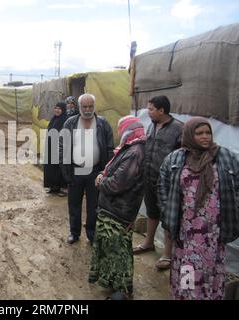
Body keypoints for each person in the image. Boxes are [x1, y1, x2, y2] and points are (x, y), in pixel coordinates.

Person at [158, 117, 239, 300]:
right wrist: (166, 211)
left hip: (214, 231)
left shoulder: (224, 156)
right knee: (188, 268)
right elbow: (162, 185)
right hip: (185, 230)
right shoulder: (176, 158)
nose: (205, 137)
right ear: (189, 135)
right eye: (199, 133)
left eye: (208, 133)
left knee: (210, 268)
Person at [89, 115, 146, 300]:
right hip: (113, 208)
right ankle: (114, 284)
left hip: (119, 211)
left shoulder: (135, 152)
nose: (120, 132)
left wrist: (101, 181)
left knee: (119, 251)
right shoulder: (129, 148)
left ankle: (124, 292)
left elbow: (117, 184)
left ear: (127, 130)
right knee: (111, 248)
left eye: (122, 129)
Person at [133, 95, 183, 271]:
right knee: (152, 211)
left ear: (162, 110)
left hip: (167, 183)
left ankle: (167, 255)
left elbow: (183, 157)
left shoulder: (178, 129)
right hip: (149, 177)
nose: (148, 112)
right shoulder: (152, 125)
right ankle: (148, 243)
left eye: (151, 109)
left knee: (168, 218)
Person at [60, 93, 114, 245]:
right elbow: (62, 147)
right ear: (79, 107)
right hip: (76, 170)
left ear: (94, 106)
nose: (88, 109)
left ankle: (92, 234)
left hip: (95, 171)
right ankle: (74, 233)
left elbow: (110, 148)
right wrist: (66, 173)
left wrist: (106, 171)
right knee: (74, 203)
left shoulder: (102, 123)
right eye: (85, 106)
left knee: (94, 205)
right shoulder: (70, 123)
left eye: (90, 106)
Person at [44, 102, 68, 196]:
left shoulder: (65, 120)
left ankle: (64, 188)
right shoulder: (54, 119)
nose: (57, 110)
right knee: (51, 167)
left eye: (59, 109)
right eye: (56, 108)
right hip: (51, 147)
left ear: (63, 110)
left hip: (60, 147)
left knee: (60, 168)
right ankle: (54, 186)